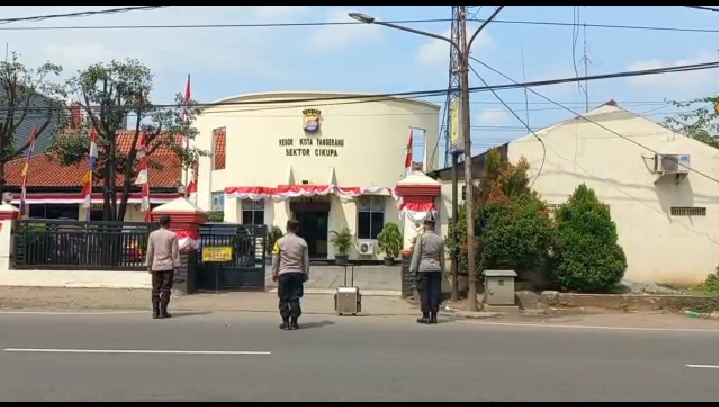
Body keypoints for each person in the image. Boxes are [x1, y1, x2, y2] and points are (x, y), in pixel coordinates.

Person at [271, 219, 310, 330]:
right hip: (297, 274)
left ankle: (285, 322)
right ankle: (294, 322)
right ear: (297, 229)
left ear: (287, 227)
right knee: (295, 298)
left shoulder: (279, 242)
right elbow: (306, 260)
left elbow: (275, 259)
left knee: (284, 298)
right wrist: (305, 273)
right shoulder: (302, 242)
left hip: (283, 274)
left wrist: (274, 273)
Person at [410, 212, 445, 324]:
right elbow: (442, 258)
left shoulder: (421, 238)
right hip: (436, 269)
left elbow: (417, 255)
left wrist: (414, 269)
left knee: (424, 293)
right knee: (435, 292)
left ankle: (425, 316)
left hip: (424, 269)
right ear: (433, 225)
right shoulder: (439, 240)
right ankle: (434, 316)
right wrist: (442, 271)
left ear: (425, 224)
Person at [145, 214, 180, 320]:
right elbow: (175, 253)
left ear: (160, 223)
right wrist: (176, 265)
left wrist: (149, 264)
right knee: (166, 289)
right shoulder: (172, 235)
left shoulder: (153, 235)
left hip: (156, 266)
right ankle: (163, 311)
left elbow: (150, 251)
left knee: (156, 289)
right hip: (168, 266)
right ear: (169, 223)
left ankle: (155, 311)